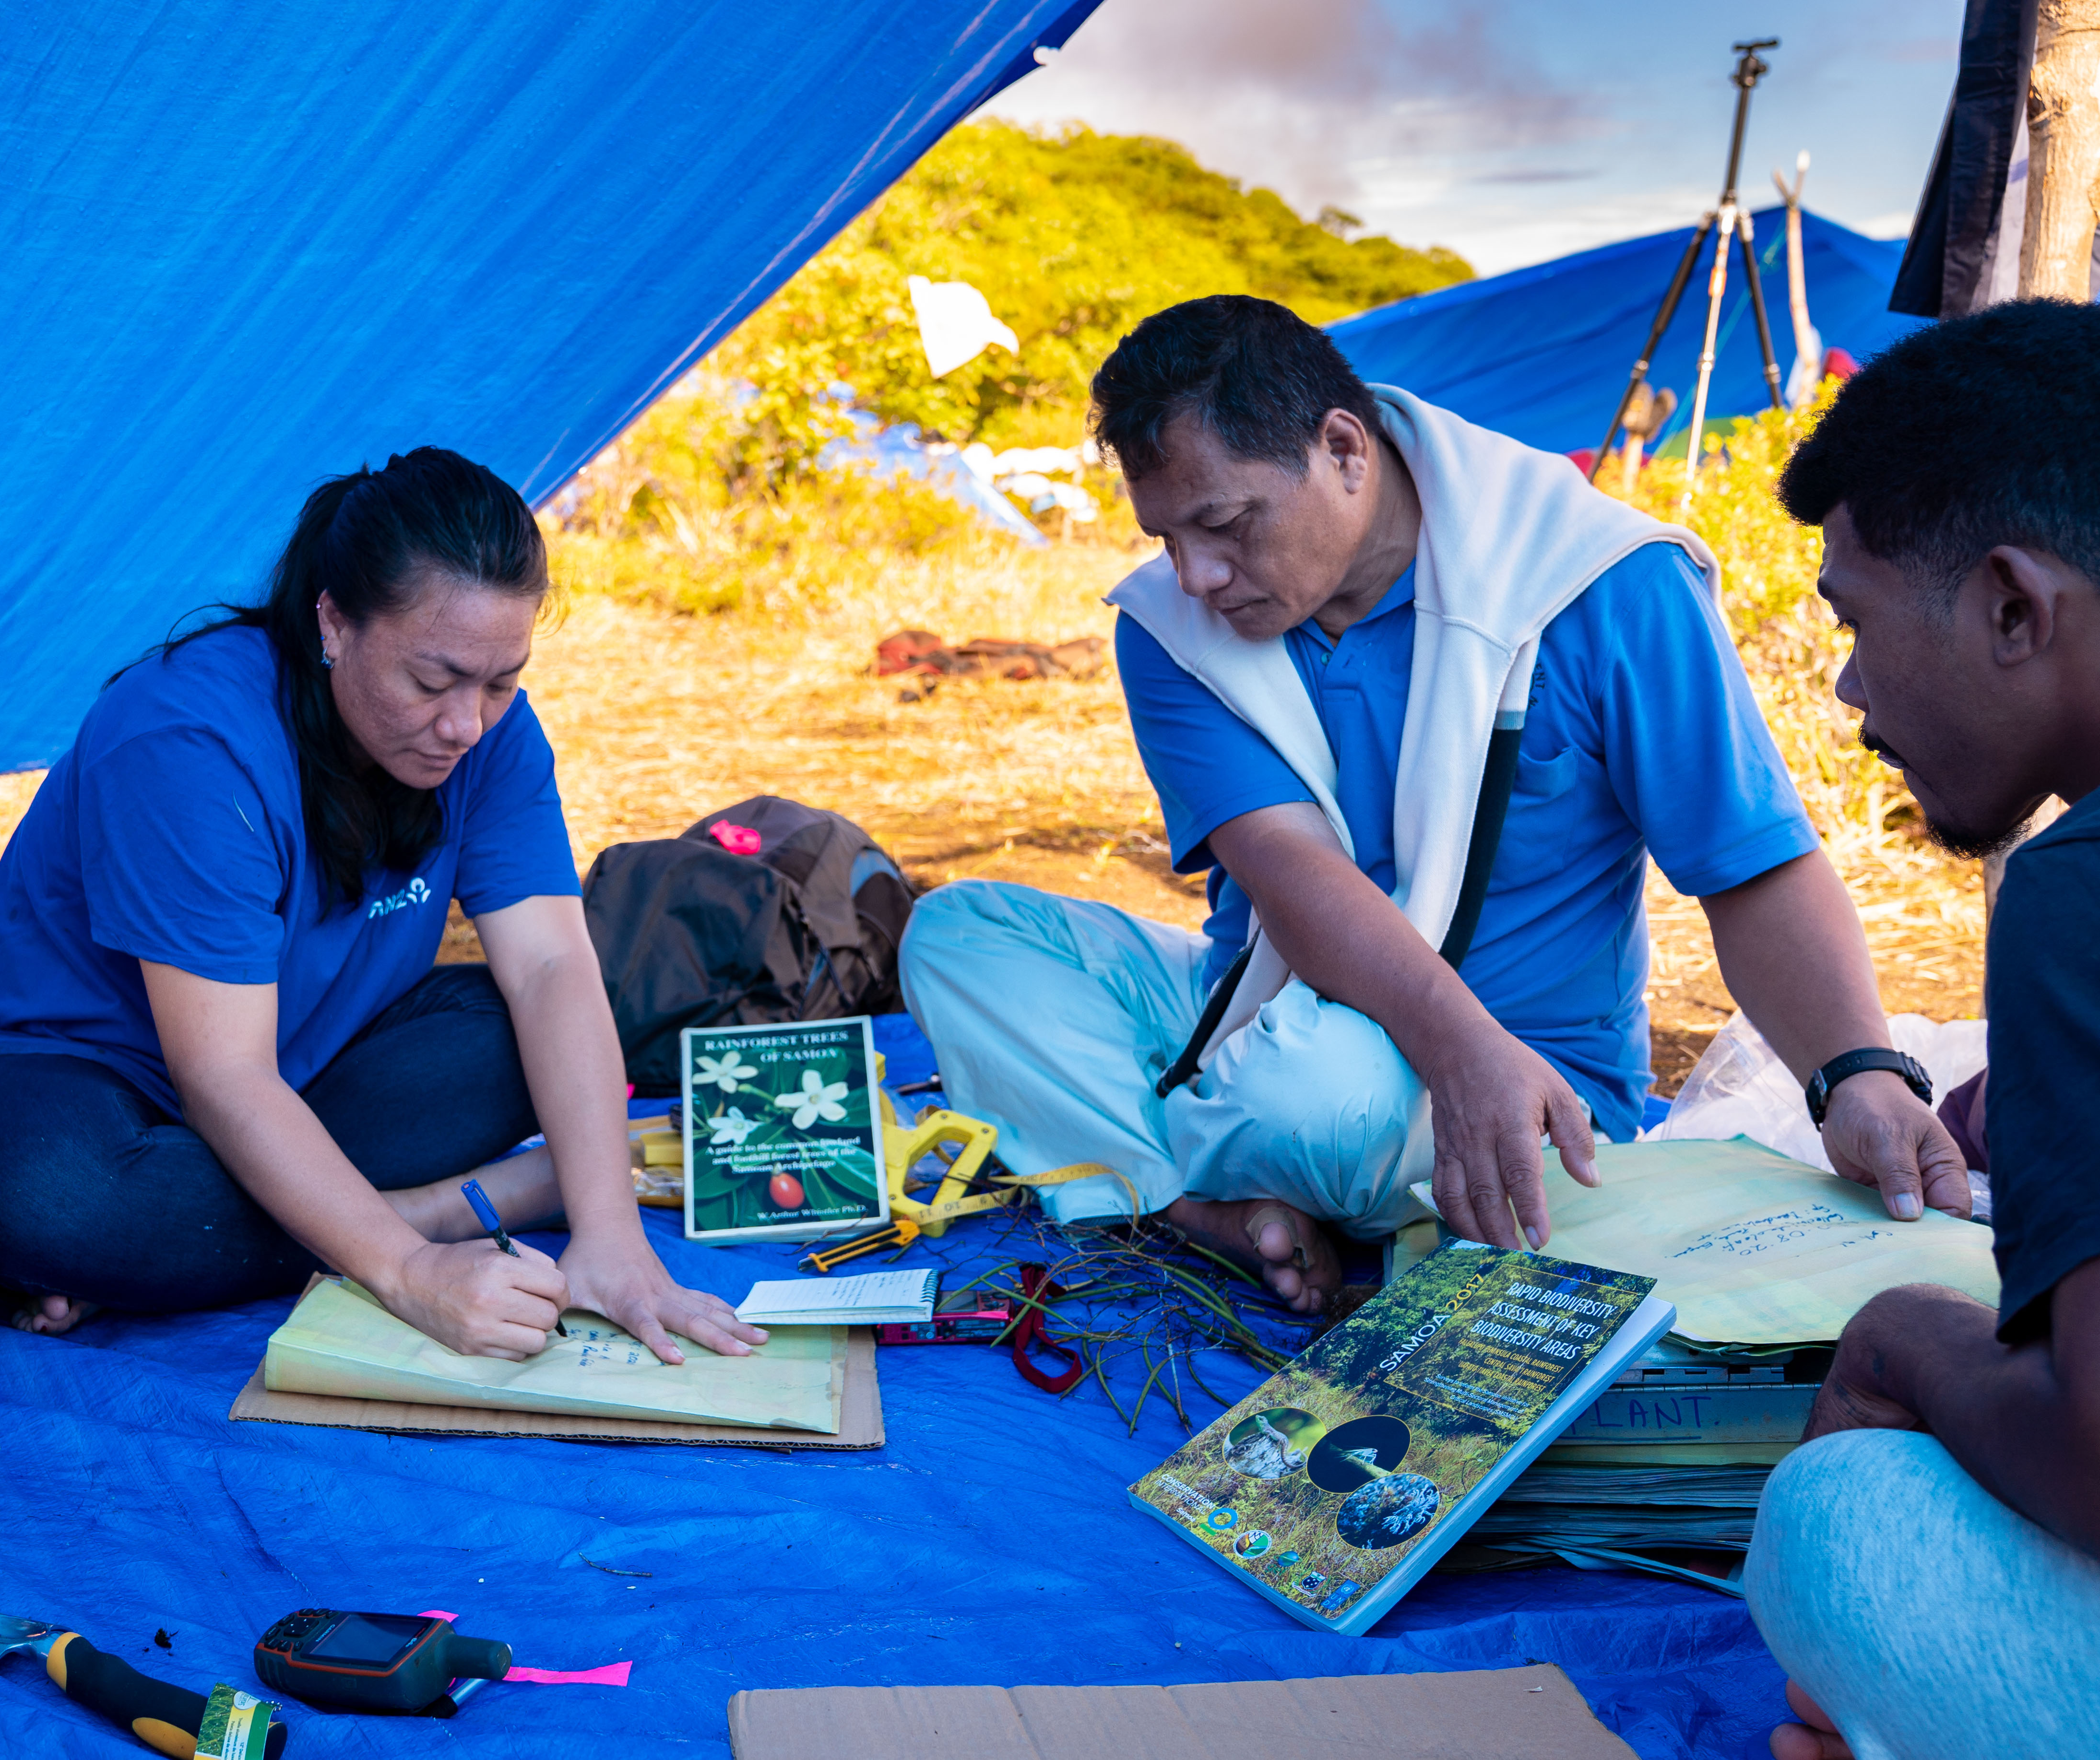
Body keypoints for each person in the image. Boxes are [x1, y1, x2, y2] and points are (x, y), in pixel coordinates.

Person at [899, 295, 1961, 1313]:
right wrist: (1450, 1048)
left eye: (1222, 523)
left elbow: (1750, 866)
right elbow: (1291, 876)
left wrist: (1855, 1072)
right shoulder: (1169, 632)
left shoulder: (1601, 583)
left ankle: (1146, 1141)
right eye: (1165, 538)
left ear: (1342, 449)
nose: (1196, 576)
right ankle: (1201, 1209)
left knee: (1315, 1099)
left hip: (1519, 1067)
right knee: (962, 937)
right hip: (1263, 1012)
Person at [0, 448, 760, 1364]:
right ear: (333, 622)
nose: (465, 724)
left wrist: (612, 1238)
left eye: (501, 680)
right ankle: (440, 1205)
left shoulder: (491, 735)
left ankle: (184, 1245)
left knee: (521, 1030)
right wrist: (411, 1267)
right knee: (67, 1200)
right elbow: (222, 1074)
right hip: (50, 1069)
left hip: (289, 1067)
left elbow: (552, 965)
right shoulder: (186, 739)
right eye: (430, 681)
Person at [1742, 298, 2100, 1760]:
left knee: (1841, 1519)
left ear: (2013, 606)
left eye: (1854, 623)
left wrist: (1902, 1340)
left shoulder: (2075, 889)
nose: (1848, 693)